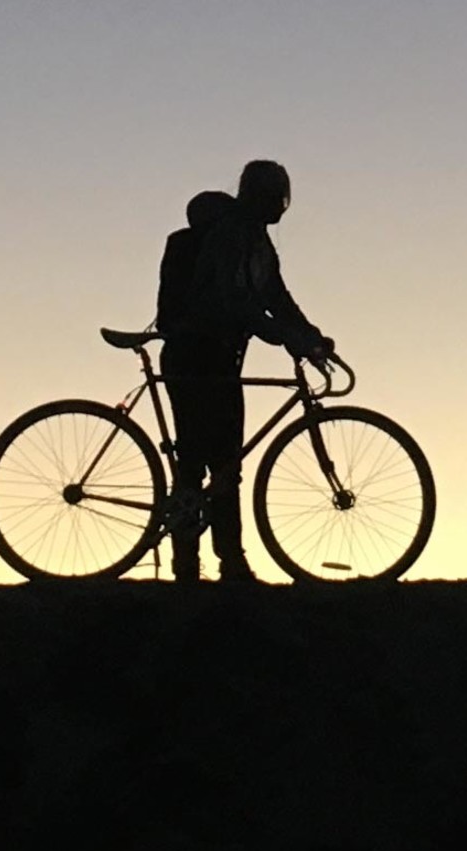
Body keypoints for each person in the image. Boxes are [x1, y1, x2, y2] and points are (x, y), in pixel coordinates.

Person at [156, 160, 332, 582]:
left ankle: (224, 560)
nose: (284, 207)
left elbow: (277, 296)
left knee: (223, 461)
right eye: (279, 196)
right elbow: (232, 299)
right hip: (195, 354)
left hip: (220, 358)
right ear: (263, 195)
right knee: (203, 458)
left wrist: (309, 335)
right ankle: (205, 562)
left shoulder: (256, 242)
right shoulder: (231, 236)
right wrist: (282, 335)